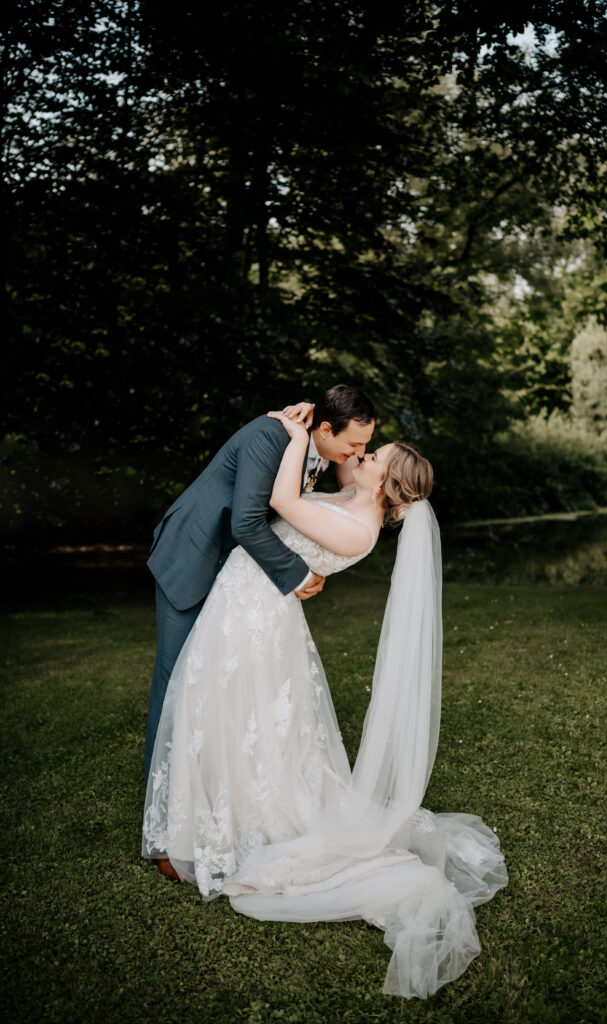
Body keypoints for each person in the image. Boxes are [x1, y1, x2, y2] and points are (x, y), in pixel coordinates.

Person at [142, 410, 508, 999]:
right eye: (363, 450)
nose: (360, 458)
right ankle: (202, 814)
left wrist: (289, 434)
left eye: (372, 458)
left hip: (254, 615)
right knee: (225, 714)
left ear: (386, 487)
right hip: (246, 605)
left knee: (231, 715)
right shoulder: (348, 503)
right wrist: (312, 448)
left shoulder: (359, 528)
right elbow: (302, 497)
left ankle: (218, 825)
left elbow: (283, 499)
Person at [144, 384, 376, 790]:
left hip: (233, 570)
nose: (358, 454)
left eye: (365, 446)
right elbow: (247, 522)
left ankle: (210, 790)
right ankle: (163, 817)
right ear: (325, 429)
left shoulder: (318, 443)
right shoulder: (270, 436)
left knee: (214, 683)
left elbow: (352, 485)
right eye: (354, 444)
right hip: (194, 553)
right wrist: (300, 574)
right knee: (176, 686)